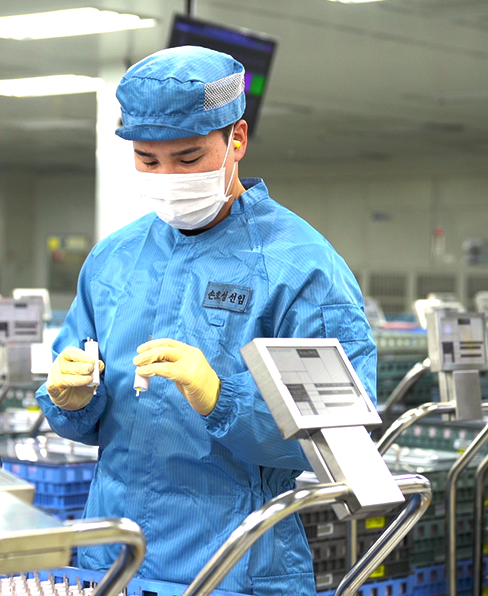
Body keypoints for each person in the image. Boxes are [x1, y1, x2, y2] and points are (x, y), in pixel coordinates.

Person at [35, 46, 376, 596]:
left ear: (236, 139)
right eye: (148, 160)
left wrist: (222, 396)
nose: (167, 176)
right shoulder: (114, 259)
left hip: (233, 565)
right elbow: (73, 389)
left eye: (189, 159)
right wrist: (70, 399)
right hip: (114, 559)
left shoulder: (301, 268)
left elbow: (342, 441)